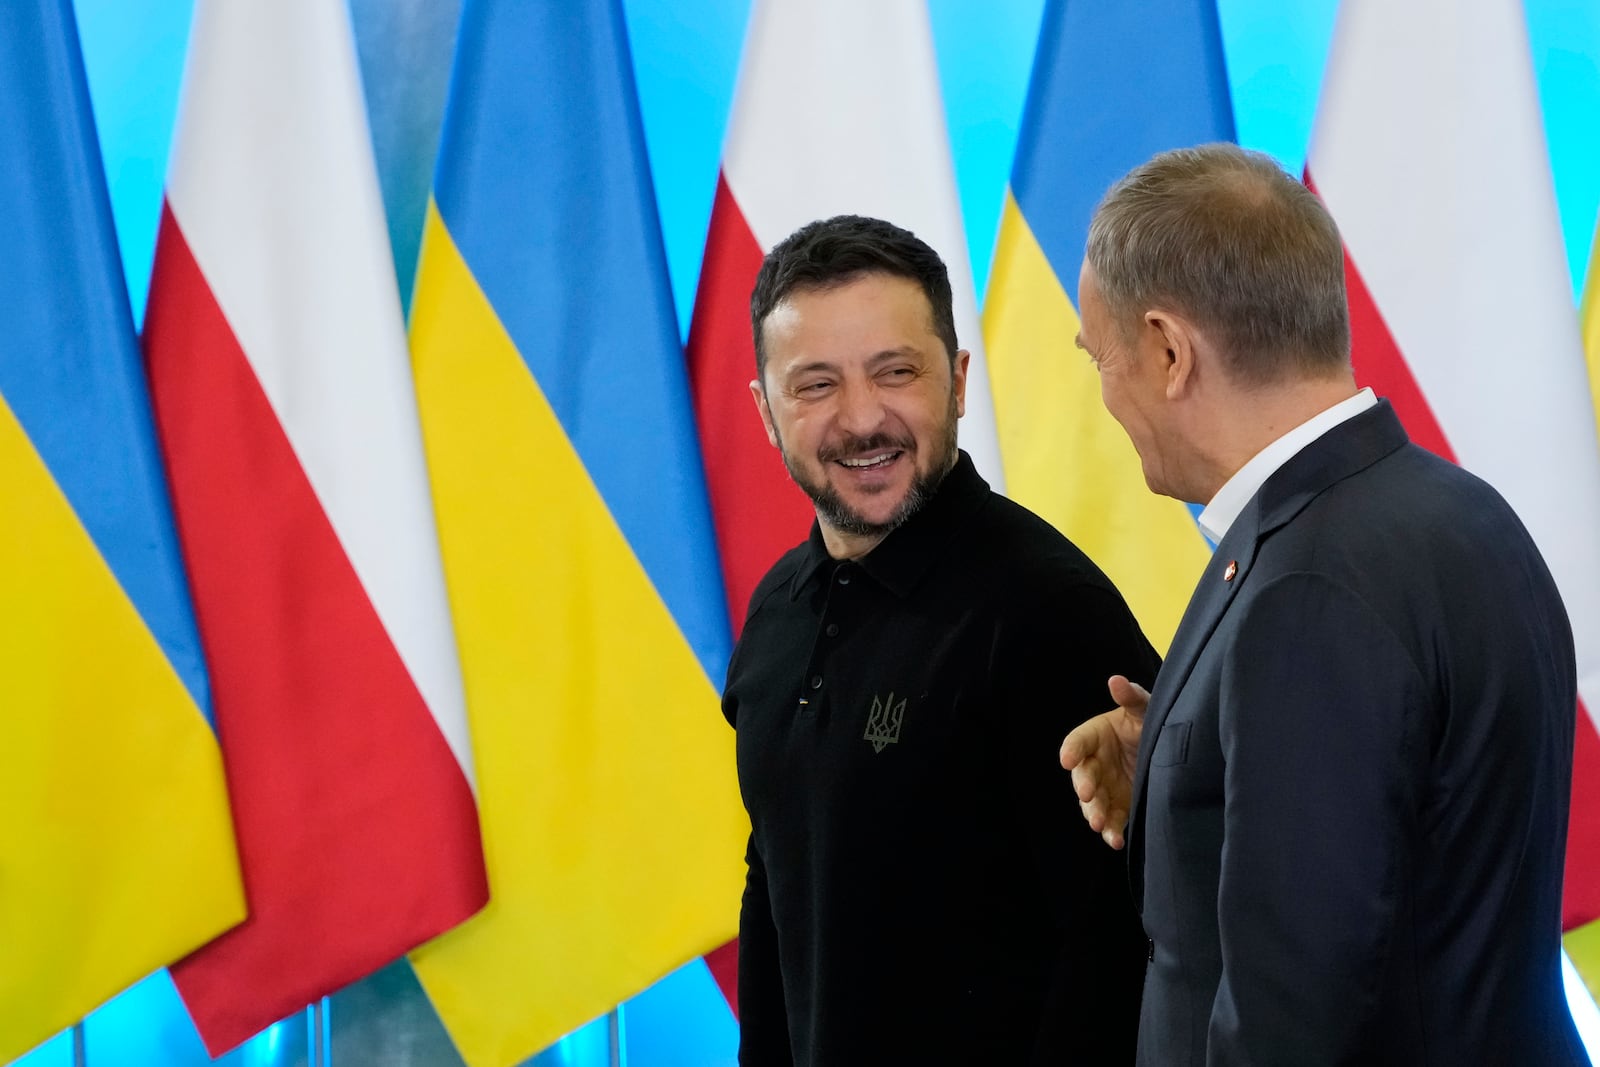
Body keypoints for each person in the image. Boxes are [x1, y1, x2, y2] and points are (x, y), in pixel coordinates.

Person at [1061, 143, 1586, 1065]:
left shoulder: (1309, 586)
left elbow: (1292, 1018)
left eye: (1101, 357)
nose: (1104, 391)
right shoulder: (1457, 510)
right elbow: (1417, 837)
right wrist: (1193, 772)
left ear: (1169, 350)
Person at [722, 214, 1159, 1065]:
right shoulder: (776, 611)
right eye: (815, 385)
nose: (860, 419)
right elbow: (775, 894)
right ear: (766, 409)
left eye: (896, 372)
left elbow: (1117, 954)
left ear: (958, 381)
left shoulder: (1049, 612)